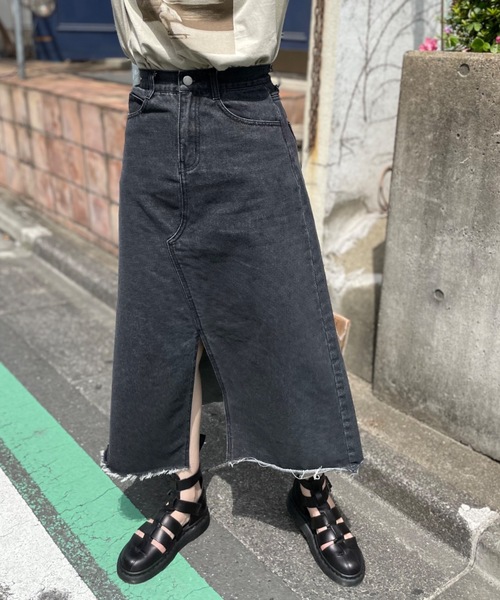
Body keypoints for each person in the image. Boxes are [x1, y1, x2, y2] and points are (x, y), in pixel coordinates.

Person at [101, 0, 365, 588]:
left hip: (243, 106)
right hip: (154, 110)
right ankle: (186, 494)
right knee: (162, 318)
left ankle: (310, 486)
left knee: (286, 312)